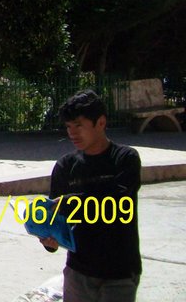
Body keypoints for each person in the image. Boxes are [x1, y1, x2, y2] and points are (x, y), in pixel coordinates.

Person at [40, 89, 141, 301]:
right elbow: (56, 219)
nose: (72, 133)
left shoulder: (125, 159)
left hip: (119, 273)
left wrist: (67, 202)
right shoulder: (64, 166)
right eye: (68, 126)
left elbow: (116, 205)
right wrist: (48, 238)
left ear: (101, 123)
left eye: (79, 125)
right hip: (78, 272)